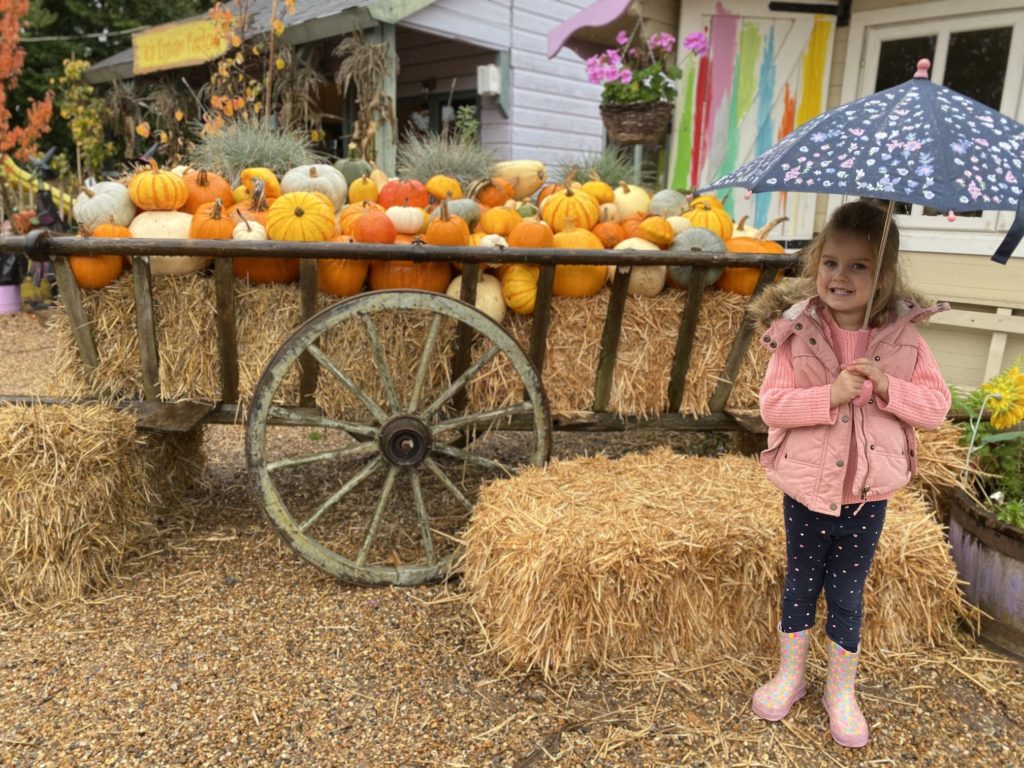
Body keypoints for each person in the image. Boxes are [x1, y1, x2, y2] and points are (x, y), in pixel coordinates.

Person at [745, 200, 951, 748]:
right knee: (799, 584)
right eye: (831, 262)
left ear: (883, 276)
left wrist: (888, 387)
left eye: (859, 266)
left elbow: (934, 408)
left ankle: (841, 690)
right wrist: (828, 396)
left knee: (846, 594)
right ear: (816, 263)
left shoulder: (905, 341)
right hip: (807, 491)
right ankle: (790, 675)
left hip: (866, 497)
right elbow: (772, 406)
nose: (841, 276)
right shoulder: (796, 333)